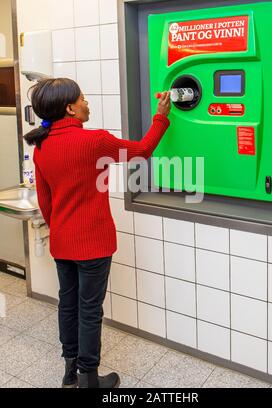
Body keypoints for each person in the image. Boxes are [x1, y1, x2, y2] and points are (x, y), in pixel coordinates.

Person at [23, 78, 171, 389]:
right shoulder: (94, 141)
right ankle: (88, 379)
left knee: (68, 304)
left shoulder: (42, 146)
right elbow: (142, 151)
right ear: (70, 109)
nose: (87, 103)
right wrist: (161, 115)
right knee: (89, 310)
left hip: (62, 243)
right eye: (83, 99)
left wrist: (61, 229)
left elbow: (46, 200)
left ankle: (69, 372)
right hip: (94, 244)